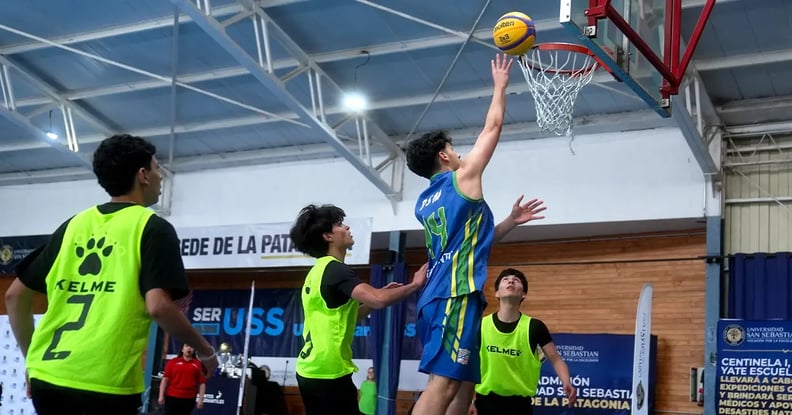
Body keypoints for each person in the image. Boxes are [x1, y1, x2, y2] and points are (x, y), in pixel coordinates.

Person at [4, 134, 219, 415]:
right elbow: (159, 307)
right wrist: (205, 350)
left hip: (48, 377)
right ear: (142, 175)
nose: (160, 176)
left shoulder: (74, 225)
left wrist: (32, 359)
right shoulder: (152, 228)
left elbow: (14, 295)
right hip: (104, 383)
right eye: (156, 168)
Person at [405, 53, 546, 415]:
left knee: (466, 384)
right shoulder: (461, 180)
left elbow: (469, 244)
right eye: (454, 149)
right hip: (453, 293)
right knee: (444, 383)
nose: (460, 153)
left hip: (443, 293)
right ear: (444, 156)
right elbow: (493, 128)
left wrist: (510, 222)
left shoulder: (424, 201)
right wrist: (500, 86)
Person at [289, 204, 428, 415]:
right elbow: (379, 300)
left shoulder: (316, 271)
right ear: (328, 236)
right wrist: (415, 285)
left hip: (309, 369)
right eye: (339, 224)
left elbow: (349, 314)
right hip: (329, 372)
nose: (346, 227)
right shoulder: (336, 270)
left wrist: (375, 297)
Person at [471, 268, 576, 415]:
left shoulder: (535, 327)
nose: (511, 280)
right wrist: (470, 400)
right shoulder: (481, 325)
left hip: (520, 406)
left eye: (517, 280)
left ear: (523, 294)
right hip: (484, 403)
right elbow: (470, 364)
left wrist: (566, 381)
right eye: (505, 279)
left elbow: (556, 359)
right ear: (497, 293)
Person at [158, 344, 206, 415]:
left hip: (189, 399)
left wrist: (201, 400)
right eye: (186, 346)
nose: (189, 348)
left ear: (194, 350)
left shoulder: (198, 364)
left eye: (191, 346)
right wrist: (161, 395)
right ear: (182, 350)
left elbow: (202, 383)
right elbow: (165, 380)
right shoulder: (172, 362)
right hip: (172, 397)